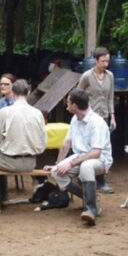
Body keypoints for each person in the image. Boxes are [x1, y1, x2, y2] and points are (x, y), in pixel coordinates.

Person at [44, 89, 112, 226]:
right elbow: (67, 143)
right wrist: (58, 164)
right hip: (80, 156)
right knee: (56, 172)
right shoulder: (75, 119)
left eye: (68, 102)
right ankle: (89, 198)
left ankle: (91, 209)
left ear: (74, 106)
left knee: (86, 167)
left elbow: (96, 153)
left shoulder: (97, 122)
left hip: (100, 160)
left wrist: (71, 164)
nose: (66, 105)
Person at [0, 79, 46, 214]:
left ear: (12, 92)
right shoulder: (38, 113)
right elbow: (42, 143)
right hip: (31, 162)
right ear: (29, 92)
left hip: (9, 162)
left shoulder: (5, 112)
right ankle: (4, 198)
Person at [77, 46, 116, 194]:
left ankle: (101, 180)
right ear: (95, 60)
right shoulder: (87, 76)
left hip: (103, 116)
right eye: (102, 61)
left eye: (107, 61)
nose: (105, 64)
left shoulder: (110, 76)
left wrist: (112, 115)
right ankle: (85, 177)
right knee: (88, 147)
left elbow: (111, 97)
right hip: (89, 117)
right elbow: (78, 94)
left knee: (102, 148)